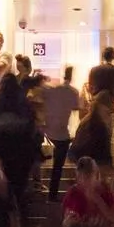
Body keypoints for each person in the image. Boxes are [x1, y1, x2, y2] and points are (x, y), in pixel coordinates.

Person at [0, 75, 42, 208]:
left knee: (4, 179)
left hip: (1, 144)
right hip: (21, 144)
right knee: (19, 181)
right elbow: (31, 122)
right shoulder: (22, 102)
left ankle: (5, 209)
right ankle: (17, 209)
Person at [62, 157, 114, 227]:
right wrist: (71, 220)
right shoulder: (74, 192)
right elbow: (66, 223)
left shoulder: (105, 192)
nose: (85, 182)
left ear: (96, 176)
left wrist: (98, 200)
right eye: (81, 177)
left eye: (88, 177)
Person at [40, 66, 82, 198]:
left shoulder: (50, 91)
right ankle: (53, 195)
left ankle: (40, 186)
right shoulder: (73, 92)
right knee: (58, 166)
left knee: (51, 165)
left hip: (47, 130)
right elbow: (76, 109)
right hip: (62, 133)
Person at [72, 90, 114, 170]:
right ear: (101, 108)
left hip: (83, 161)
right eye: (107, 112)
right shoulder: (98, 126)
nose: (109, 117)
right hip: (90, 163)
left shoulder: (87, 121)